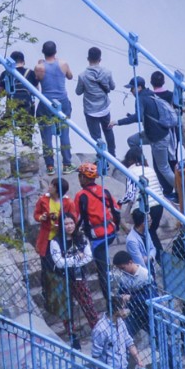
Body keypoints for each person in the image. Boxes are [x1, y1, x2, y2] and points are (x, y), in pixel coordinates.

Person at [118, 72, 180, 196]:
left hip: (159, 138)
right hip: (154, 134)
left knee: (163, 167)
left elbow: (139, 117)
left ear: (139, 87)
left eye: (132, 88)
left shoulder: (142, 98)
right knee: (132, 140)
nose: (130, 91)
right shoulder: (150, 94)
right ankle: (140, 161)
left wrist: (118, 122)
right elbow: (145, 115)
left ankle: (182, 191)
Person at [70, 162, 123, 303]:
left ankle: (109, 299)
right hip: (110, 233)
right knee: (102, 261)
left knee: (101, 268)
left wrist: (73, 235)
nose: (79, 179)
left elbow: (78, 219)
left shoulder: (81, 195)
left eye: (80, 176)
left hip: (96, 237)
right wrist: (116, 226)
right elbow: (116, 210)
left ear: (84, 178)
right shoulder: (104, 191)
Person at [49, 212, 100, 346]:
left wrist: (70, 261)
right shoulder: (55, 242)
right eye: (66, 224)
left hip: (78, 277)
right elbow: (59, 263)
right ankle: (73, 337)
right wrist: (78, 258)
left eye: (71, 223)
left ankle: (99, 332)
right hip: (62, 278)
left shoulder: (81, 237)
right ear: (61, 225)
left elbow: (88, 257)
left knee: (88, 305)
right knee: (67, 310)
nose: (69, 226)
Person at [89, 297, 135, 369]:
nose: (125, 310)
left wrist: (138, 359)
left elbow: (128, 341)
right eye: (123, 307)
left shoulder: (120, 322)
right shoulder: (101, 329)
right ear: (116, 310)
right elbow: (95, 354)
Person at [34, 41, 74, 175]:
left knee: (46, 134)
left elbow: (38, 80)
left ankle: (50, 166)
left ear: (43, 52)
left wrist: (40, 63)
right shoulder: (63, 63)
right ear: (55, 51)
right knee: (64, 131)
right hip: (62, 101)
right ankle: (67, 164)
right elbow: (70, 76)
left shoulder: (39, 67)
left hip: (46, 101)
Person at [77, 46, 117, 162]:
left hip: (91, 111)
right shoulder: (107, 72)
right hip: (104, 108)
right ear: (100, 59)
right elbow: (112, 87)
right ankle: (112, 155)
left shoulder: (82, 75)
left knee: (96, 136)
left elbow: (78, 92)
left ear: (88, 59)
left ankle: (101, 157)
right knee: (108, 130)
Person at [110, 249, 157, 341]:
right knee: (125, 336)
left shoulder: (145, 275)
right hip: (133, 312)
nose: (121, 271)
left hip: (148, 311)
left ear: (130, 262)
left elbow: (151, 297)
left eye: (123, 268)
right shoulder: (123, 276)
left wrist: (131, 297)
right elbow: (121, 292)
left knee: (158, 338)